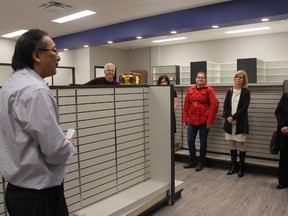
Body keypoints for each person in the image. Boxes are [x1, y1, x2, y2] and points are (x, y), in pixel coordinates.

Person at [0, 29, 75, 216]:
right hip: (39, 197)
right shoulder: (35, 91)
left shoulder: (10, 86)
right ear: (37, 55)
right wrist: (68, 146)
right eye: (55, 51)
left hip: (17, 192)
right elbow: (55, 151)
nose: (58, 57)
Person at [182, 71, 218, 171]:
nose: (200, 79)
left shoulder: (209, 90)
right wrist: (184, 120)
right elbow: (185, 106)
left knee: (203, 142)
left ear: (205, 79)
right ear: (195, 79)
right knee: (190, 141)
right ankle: (193, 161)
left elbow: (214, 106)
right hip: (192, 120)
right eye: (198, 77)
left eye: (202, 77)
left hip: (204, 120)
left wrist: (209, 121)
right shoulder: (190, 90)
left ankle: (201, 162)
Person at [223, 70, 250, 178]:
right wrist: (229, 117)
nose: (238, 79)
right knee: (231, 143)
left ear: (244, 80)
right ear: (234, 78)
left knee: (240, 144)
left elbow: (244, 107)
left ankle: (241, 168)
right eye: (237, 77)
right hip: (229, 122)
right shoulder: (230, 91)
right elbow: (226, 105)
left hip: (240, 122)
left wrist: (234, 117)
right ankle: (233, 166)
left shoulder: (246, 91)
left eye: (241, 77)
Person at [275, 92, 288, 189]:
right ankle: (283, 182)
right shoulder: (286, 95)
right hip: (284, 132)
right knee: (284, 158)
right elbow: (278, 111)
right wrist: (283, 125)